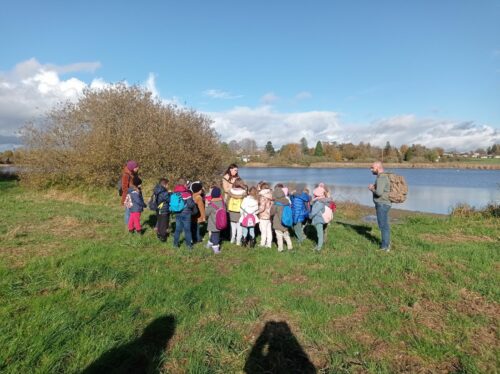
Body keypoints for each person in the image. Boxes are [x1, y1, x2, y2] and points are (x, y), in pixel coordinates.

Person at [368, 161, 391, 251]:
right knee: (384, 225)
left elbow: (379, 193)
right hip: (384, 203)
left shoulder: (381, 177)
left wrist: (372, 189)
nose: (371, 169)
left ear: (378, 167)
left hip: (382, 204)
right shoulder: (383, 177)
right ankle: (386, 244)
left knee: (383, 226)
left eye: (372, 168)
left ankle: (385, 247)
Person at [172, 178, 197, 250]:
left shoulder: (175, 193)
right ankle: (189, 246)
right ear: (185, 184)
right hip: (186, 214)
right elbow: (190, 204)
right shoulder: (187, 193)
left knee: (177, 229)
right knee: (187, 230)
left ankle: (175, 244)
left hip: (177, 213)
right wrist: (194, 203)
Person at [309, 185, 333, 251]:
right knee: (320, 233)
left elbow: (314, 212)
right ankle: (319, 245)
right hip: (322, 219)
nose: (314, 195)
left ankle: (318, 248)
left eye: (315, 195)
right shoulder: (323, 200)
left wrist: (309, 216)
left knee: (320, 234)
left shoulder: (319, 202)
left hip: (319, 219)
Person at [270, 187, 293, 252]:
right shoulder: (287, 202)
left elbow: (271, 213)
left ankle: (280, 249)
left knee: (279, 236)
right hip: (286, 222)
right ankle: (290, 247)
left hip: (278, 223)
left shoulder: (276, 204)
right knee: (286, 235)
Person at [227, 178, 247, 245]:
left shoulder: (230, 191)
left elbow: (227, 201)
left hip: (232, 211)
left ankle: (232, 239)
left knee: (233, 226)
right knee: (240, 227)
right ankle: (238, 241)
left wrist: (227, 210)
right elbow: (246, 202)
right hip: (240, 211)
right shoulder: (244, 192)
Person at [205, 187, 224, 254]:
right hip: (221, 222)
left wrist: (207, 206)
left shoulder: (211, 204)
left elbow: (206, 213)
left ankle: (215, 248)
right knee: (215, 234)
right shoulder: (223, 203)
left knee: (215, 234)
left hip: (213, 223)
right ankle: (211, 244)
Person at [121, 160, 140, 227]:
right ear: (132, 167)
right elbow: (124, 188)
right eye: (136, 167)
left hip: (132, 195)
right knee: (128, 212)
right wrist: (135, 189)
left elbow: (132, 183)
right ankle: (128, 227)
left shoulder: (132, 173)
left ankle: (131, 225)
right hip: (128, 196)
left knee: (133, 211)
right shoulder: (126, 175)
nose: (138, 168)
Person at [154, 178, 170, 242]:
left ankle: (159, 233)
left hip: (158, 209)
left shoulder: (157, 190)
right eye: (167, 184)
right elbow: (169, 200)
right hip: (164, 209)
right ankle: (163, 236)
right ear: (164, 185)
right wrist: (170, 194)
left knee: (160, 222)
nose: (168, 186)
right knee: (164, 223)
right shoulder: (164, 192)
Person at [257, 183, 273, 248]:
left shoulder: (263, 196)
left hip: (263, 216)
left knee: (263, 231)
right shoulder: (270, 195)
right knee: (269, 230)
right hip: (269, 216)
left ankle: (262, 243)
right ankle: (269, 244)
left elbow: (262, 207)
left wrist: (257, 211)